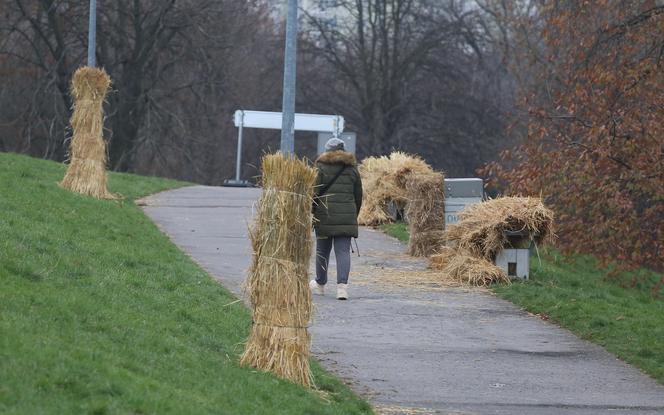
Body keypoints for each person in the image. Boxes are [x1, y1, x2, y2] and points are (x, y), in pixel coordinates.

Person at [310, 137, 363, 300]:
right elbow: (358, 195)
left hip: (324, 215)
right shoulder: (352, 168)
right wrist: (353, 214)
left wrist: (312, 211)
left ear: (327, 150)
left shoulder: (320, 167)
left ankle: (320, 284)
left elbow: (313, 193)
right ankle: (342, 289)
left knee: (322, 251)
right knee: (343, 252)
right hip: (346, 215)